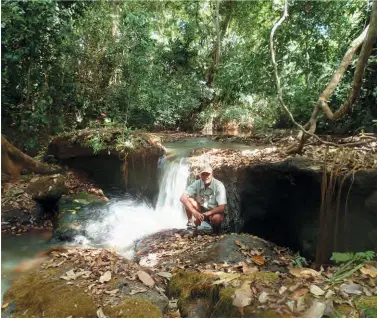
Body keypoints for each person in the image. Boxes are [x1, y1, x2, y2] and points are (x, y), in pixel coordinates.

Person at [180, 163, 227, 233]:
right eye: (203, 174)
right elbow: (182, 197)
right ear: (200, 175)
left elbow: (222, 207)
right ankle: (191, 223)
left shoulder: (219, 185)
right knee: (189, 200)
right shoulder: (197, 183)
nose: (205, 177)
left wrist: (207, 214)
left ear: (212, 174)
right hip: (200, 210)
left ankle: (215, 232)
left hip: (214, 212)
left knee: (216, 218)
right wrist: (195, 212)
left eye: (207, 174)